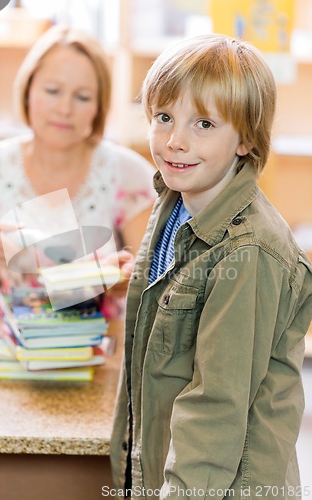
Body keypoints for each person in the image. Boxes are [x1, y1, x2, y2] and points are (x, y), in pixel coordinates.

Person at [110, 34, 312, 499]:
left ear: (246, 140)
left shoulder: (248, 251)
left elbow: (216, 408)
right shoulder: (175, 201)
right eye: (164, 117)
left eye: (203, 123)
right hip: (166, 469)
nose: (175, 141)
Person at [0, 26, 156, 315]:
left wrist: (124, 277)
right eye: (52, 91)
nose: (64, 108)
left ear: (99, 107)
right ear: (27, 91)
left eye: (83, 97)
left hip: (94, 346)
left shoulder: (129, 173)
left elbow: (158, 277)